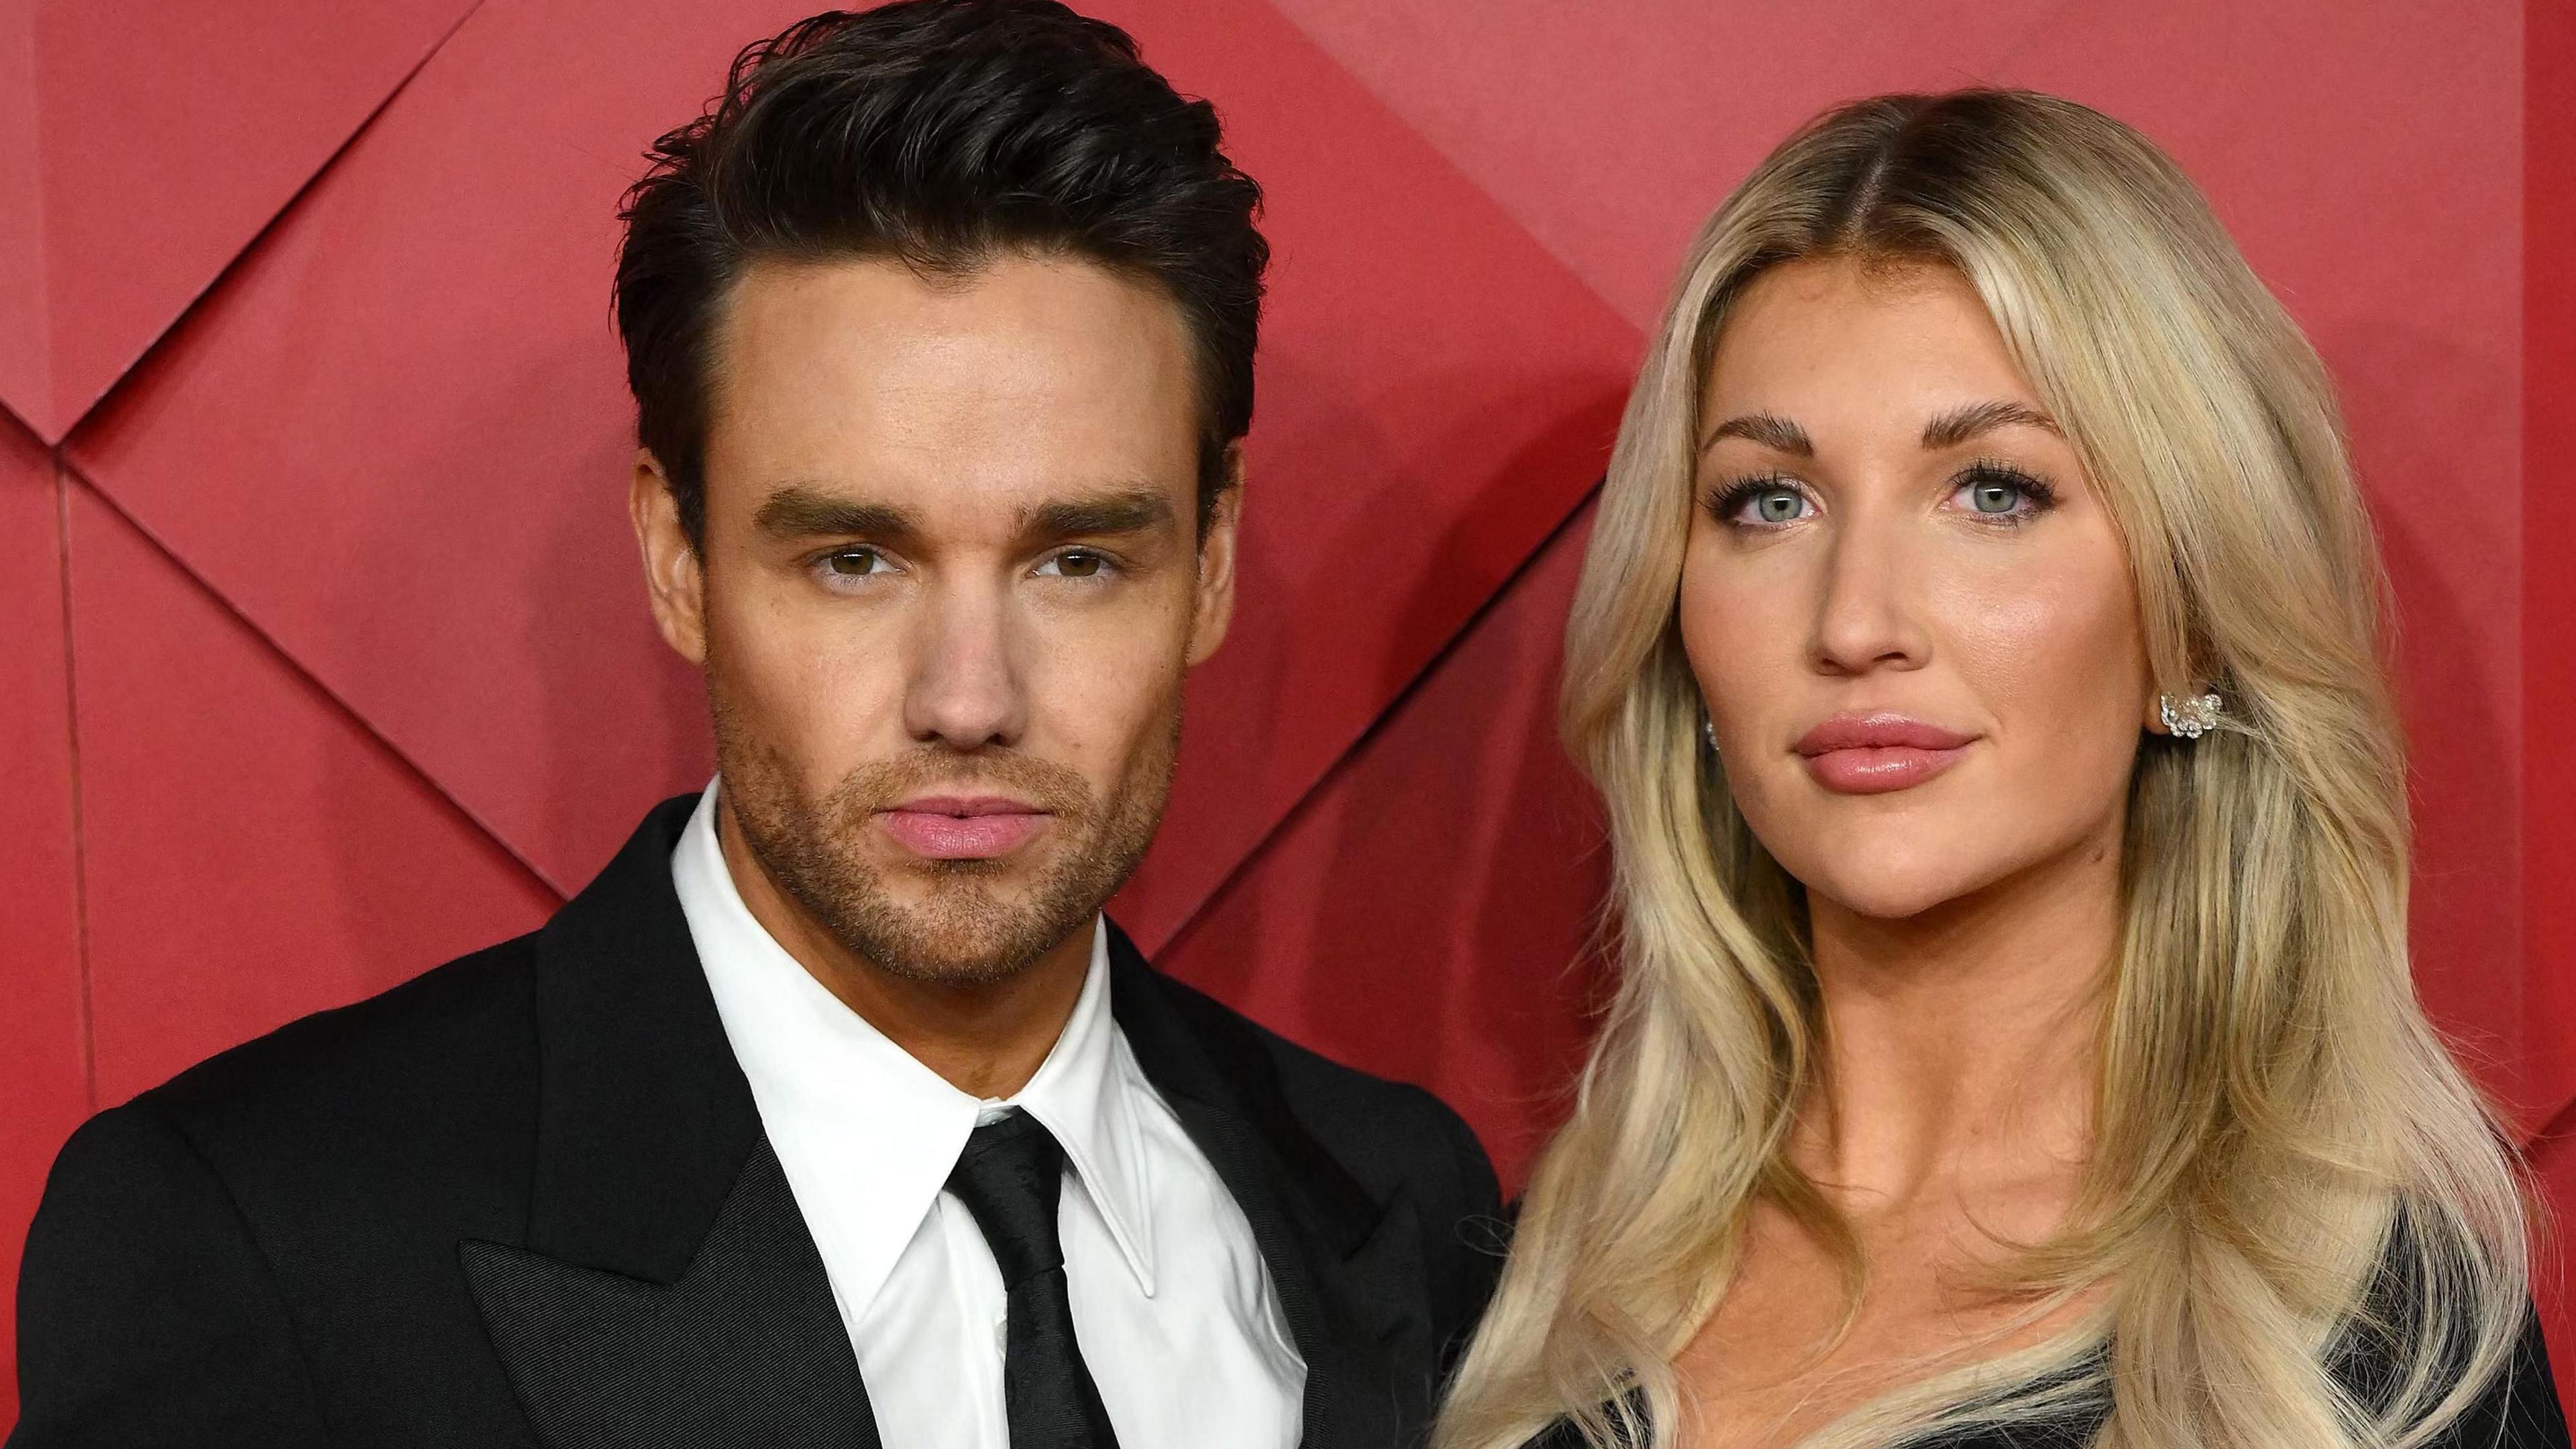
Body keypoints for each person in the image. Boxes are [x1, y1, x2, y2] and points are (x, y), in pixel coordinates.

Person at [9, 4, 1501, 1446]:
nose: (968, 700)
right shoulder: (259, 1237)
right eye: (853, 559)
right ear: (677, 555)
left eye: (1079, 560)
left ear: (1214, 562)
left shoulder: (1405, 1202)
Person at [1434, 90, 2569, 1449]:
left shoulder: (2365, 1343)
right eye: (1769, 502)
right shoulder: (1503, 1288)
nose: (1855, 622)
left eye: (1993, 491)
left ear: (2187, 609)